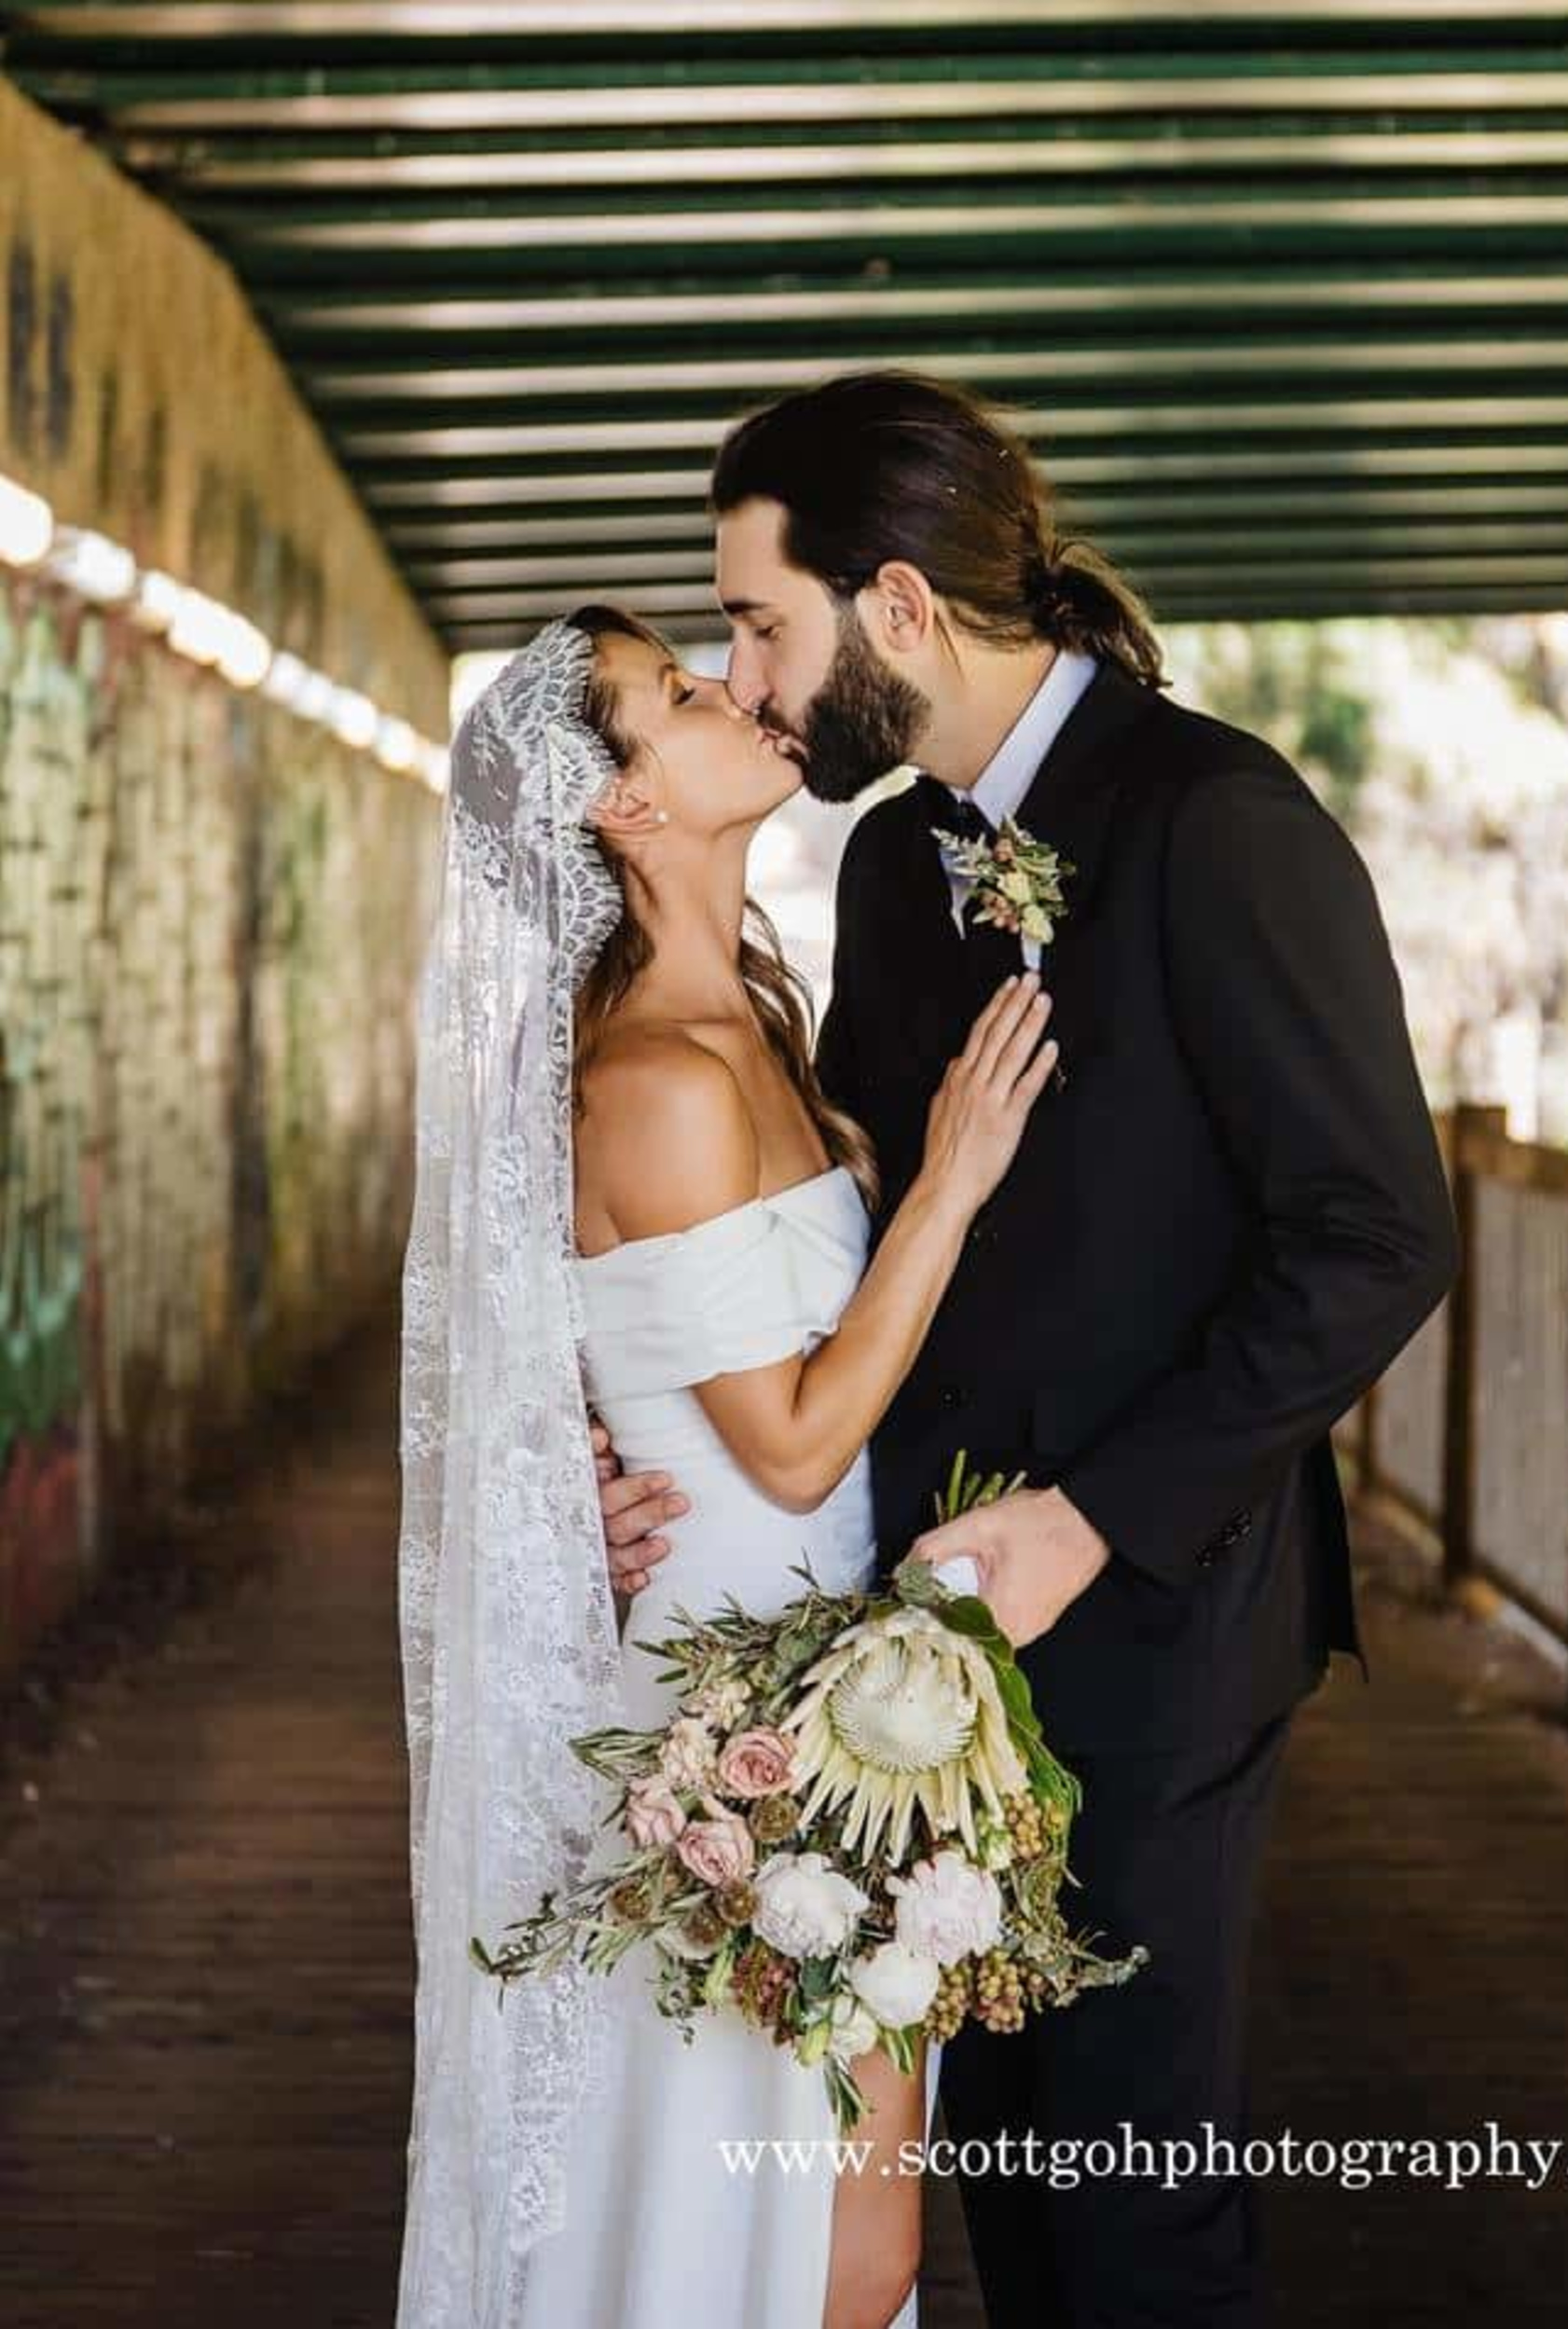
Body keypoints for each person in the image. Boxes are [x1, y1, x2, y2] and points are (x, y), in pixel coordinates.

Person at [598, 371, 1461, 2326]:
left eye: (760, 624)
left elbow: (1377, 1235)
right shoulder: (896, 863)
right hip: (899, 1637)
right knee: (1002, 2194)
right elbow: (845, 1239)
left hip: (1160, 1622)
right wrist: (646, 1425)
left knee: (1138, 2205)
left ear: (896, 607)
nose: (747, 674)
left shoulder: (1220, 819)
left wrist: (1098, 1517)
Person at [393, 605, 1055, 2329]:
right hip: (735, 1716)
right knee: (807, 2247)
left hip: (829, 1680)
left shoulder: (755, 1018)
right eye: (678, 697)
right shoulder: (656, 1080)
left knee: (855, 2247)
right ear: (620, 809)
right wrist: (950, 1182)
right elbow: (792, 1437)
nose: (737, 692)